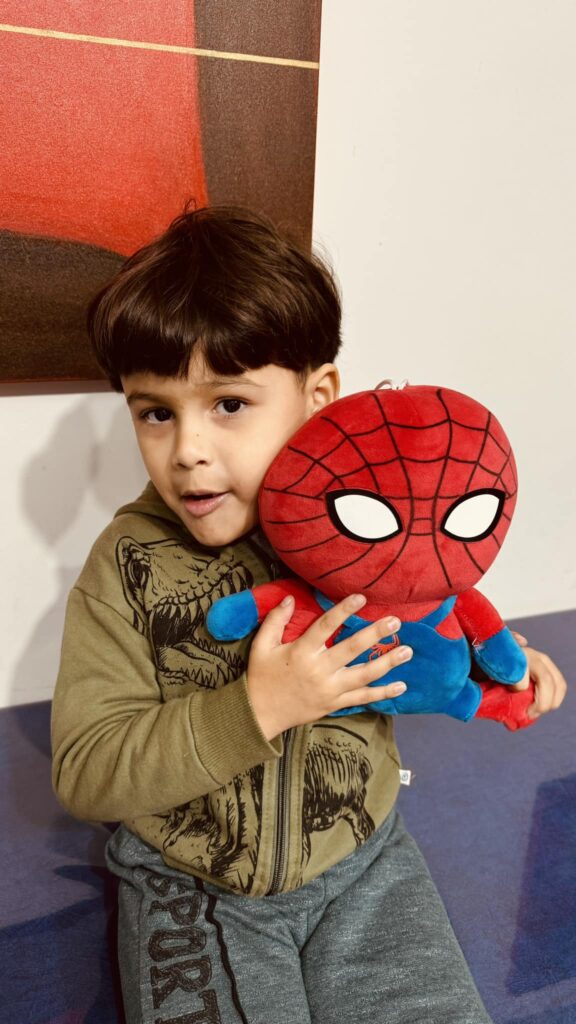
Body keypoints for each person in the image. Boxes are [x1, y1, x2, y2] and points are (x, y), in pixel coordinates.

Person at [51, 206, 566, 1024]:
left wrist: (501, 665)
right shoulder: (127, 565)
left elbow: (429, 620)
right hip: (196, 885)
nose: (187, 450)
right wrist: (257, 708)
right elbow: (86, 771)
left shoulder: (369, 520)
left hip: (366, 866)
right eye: (156, 411)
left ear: (317, 395)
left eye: (228, 404)